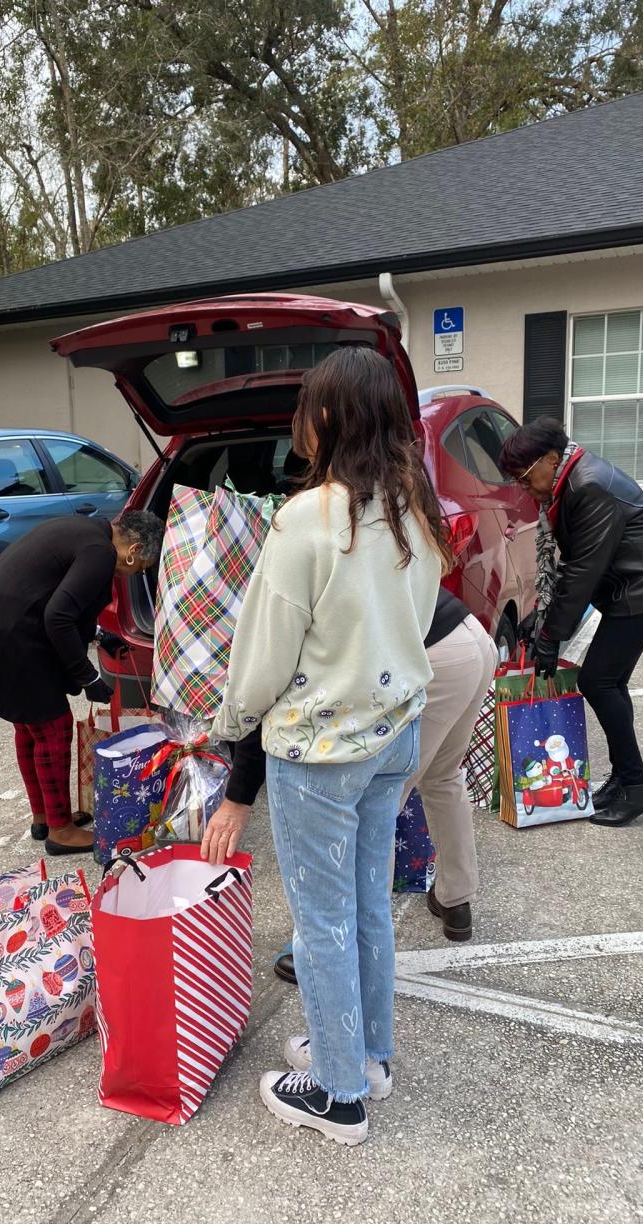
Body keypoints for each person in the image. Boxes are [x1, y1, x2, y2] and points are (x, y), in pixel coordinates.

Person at [213, 347, 449, 1146]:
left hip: (318, 753)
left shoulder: (308, 517)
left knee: (321, 922)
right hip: (392, 735)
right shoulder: (416, 507)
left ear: (327, 417)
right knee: (366, 908)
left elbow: (264, 654)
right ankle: (366, 1056)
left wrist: (229, 723)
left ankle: (339, 1094)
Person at [204, 584, 498, 956]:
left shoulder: (281, 579)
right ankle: (456, 900)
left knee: (380, 801)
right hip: (470, 638)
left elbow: (263, 695)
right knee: (443, 775)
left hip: (433, 658)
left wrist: (238, 799)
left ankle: (343, 941)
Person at [499, 417, 643, 828]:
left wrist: (550, 637)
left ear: (551, 459)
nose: (523, 487)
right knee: (610, 681)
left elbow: (582, 573)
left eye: (524, 476)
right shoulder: (571, 480)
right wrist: (542, 620)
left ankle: (639, 787)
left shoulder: (588, 486)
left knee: (598, 681)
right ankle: (626, 779)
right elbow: (574, 570)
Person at [0, 511, 164, 856]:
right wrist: (87, 676)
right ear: (134, 549)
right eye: (139, 567)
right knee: (53, 728)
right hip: (10, 634)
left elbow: (48, 593)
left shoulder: (81, 528)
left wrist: (97, 635)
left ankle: (45, 816)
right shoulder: (101, 552)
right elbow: (59, 615)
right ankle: (61, 830)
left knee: (29, 725)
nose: (133, 573)